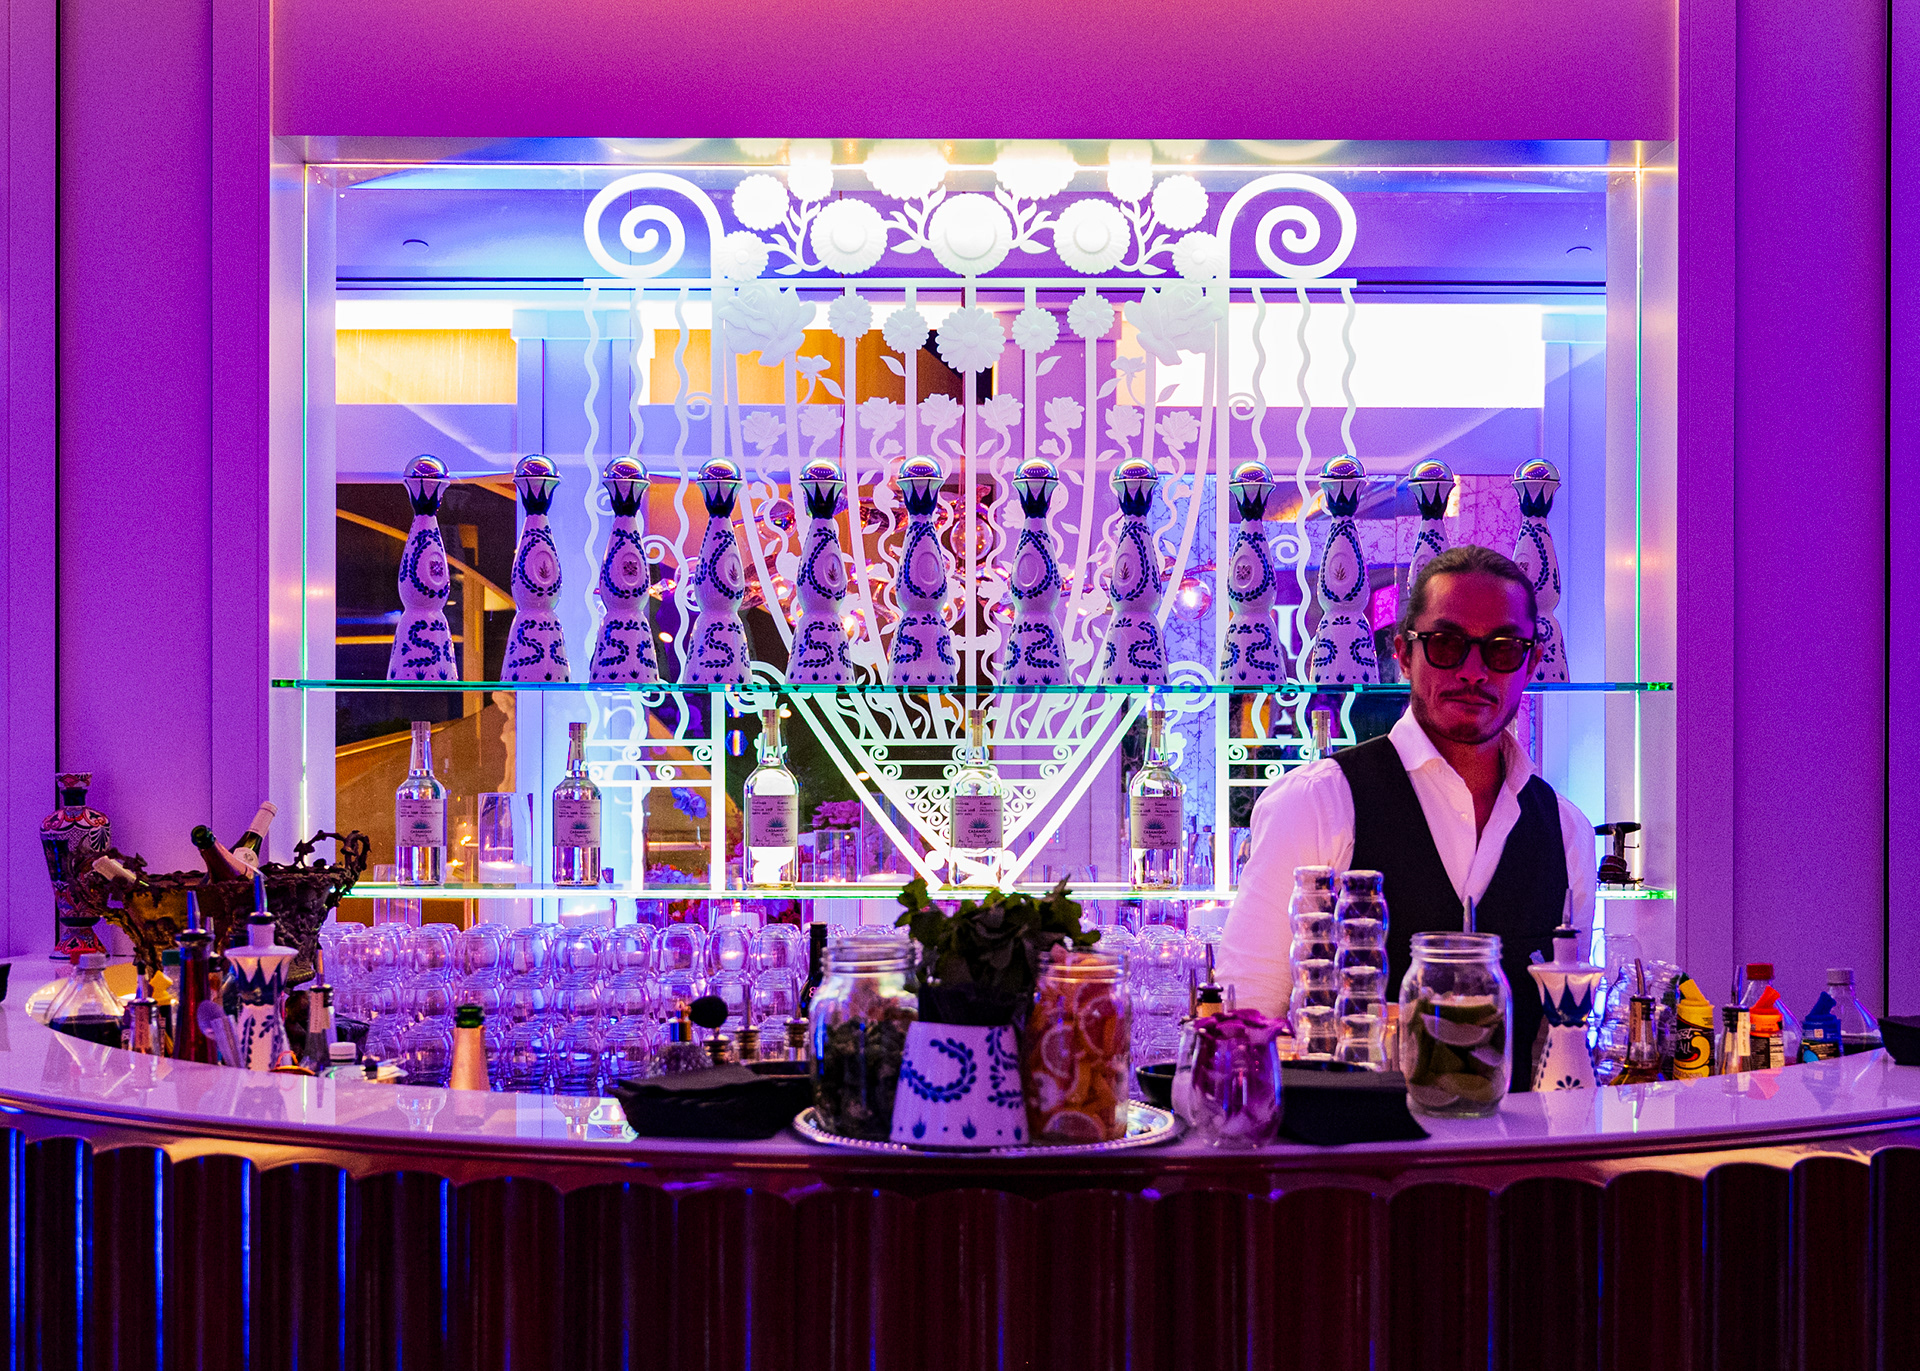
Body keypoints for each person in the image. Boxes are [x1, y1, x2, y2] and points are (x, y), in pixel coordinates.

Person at [1218, 544, 1597, 1089]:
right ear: (1403, 653)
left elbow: (1559, 1045)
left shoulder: (1565, 829)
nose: (1473, 671)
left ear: (1531, 662)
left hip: (1517, 1139)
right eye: (1446, 644)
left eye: (1502, 649)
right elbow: (1246, 1023)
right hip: (1354, 1136)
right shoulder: (1317, 801)